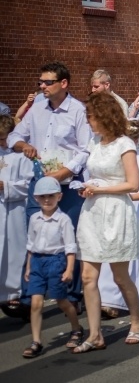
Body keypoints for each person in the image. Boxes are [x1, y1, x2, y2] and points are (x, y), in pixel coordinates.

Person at [9, 61, 92, 309]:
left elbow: (86, 149)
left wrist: (64, 172)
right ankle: (28, 298)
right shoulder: (36, 109)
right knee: (33, 236)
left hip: (68, 185)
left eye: (47, 82)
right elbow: (14, 135)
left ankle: (72, 295)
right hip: (41, 184)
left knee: (70, 239)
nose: (42, 86)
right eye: (40, 82)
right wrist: (24, 146)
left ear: (63, 83)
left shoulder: (78, 110)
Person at [74, 91, 139, 353]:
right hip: (93, 212)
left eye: (91, 117)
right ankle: (95, 335)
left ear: (104, 116)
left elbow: (133, 184)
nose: (89, 122)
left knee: (119, 276)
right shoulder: (95, 143)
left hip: (116, 213)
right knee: (88, 276)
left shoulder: (124, 144)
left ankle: (136, 321)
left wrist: (100, 189)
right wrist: (87, 187)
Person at [97, 119, 139, 317]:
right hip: (116, 210)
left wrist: (127, 195)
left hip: (136, 212)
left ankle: (128, 298)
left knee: (132, 255)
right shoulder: (117, 160)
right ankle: (109, 297)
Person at [22, 177, 83, 358]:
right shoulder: (34, 218)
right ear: (36, 198)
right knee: (36, 302)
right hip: (37, 262)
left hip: (56, 261)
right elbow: (31, 245)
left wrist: (69, 269)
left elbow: (71, 247)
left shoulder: (63, 220)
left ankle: (76, 328)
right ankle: (36, 341)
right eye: (42, 197)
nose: (47, 200)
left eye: (51, 196)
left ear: (59, 196)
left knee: (61, 301)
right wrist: (28, 266)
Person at [0, 115, 33, 308]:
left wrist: (7, 186)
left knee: (14, 249)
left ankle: (14, 291)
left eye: (5, 138)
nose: (3, 143)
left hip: (15, 208)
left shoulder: (22, 155)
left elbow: (29, 184)